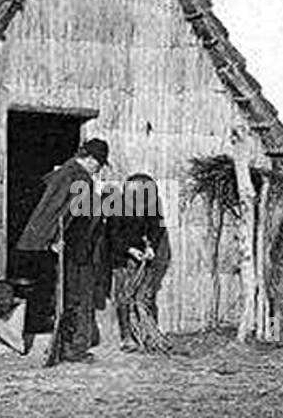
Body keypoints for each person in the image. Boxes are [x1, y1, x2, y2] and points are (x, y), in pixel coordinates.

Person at [15, 138, 109, 364]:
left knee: (67, 295)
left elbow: (56, 209)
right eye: (99, 163)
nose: (99, 168)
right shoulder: (79, 178)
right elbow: (66, 213)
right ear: (89, 158)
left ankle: (67, 346)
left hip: (65, 248)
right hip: (77, 250)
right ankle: (73, 349)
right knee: (78, 297)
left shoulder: (60, 174)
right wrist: (57, 238)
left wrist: (51, 240)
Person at [107, 173, 171, 352]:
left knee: (144, 297)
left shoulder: (152, 204)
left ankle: (148, 335)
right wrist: (130, 250)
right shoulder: (116, 204)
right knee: (124, 297)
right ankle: (127, 338)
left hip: (144, 258)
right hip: (123, 258)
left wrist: (152, 247)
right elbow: (112, 235)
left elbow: (157, 228)